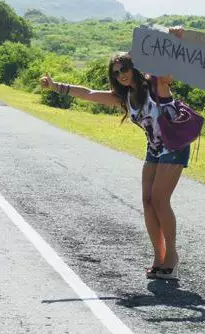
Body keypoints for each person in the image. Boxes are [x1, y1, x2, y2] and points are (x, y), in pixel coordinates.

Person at [40, 27, 187, 280]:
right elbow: (87, 93)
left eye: (124, 69)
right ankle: (158, 256)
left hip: (174, 146)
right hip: (154, 149)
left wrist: (174, 40)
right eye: (116, 73)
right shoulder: (125, 97)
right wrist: (56, 87)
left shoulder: (156, 84)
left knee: (160, 199)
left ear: (135, 68)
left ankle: (172, 257)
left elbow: (168, 70)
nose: (120, 75)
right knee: (148, 201)